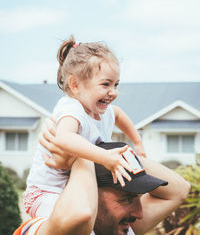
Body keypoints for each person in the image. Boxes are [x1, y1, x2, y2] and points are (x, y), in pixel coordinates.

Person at [24, 36, 146, 218]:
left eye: (116, 84)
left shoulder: (101, 112)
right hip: (45, 192)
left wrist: (138, 142)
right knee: (79, 223)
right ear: (75, 85)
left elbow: (119, 114)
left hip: (71, 190)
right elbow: (65, 138)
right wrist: (105, 157)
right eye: (106, 84)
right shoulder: (71, 108)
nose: (113, 92)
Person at [14, 125, 190, 235]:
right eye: (127, 199)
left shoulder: (119, 229)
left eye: (138, 198)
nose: (139, 213)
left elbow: (180, 189)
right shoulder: (41, 228)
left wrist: (115, 154)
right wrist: (81, 155)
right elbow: (79, 215)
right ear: (91, 193)